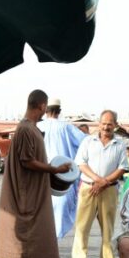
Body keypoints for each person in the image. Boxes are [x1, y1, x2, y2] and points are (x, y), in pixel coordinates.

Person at [0, 90, 69, 258]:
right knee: (25, 233)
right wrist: (54, 170)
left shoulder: (32, 128)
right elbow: (26, 161)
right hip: (25, 194)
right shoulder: (26, 129)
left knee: (35, 233)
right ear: (43, 106)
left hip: (34, 192)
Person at [66, 109, 128, 258]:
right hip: (88, 188)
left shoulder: (120, 144)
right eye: (104, 123)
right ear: (99, 124)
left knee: (108, 229)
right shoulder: (88, 141)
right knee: (82, 227)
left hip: (109, 190)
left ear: (115, 125)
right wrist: (97, 180)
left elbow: (123, 168)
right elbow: (81, 163)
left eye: (110, 124)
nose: (106, 127)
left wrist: (104, 182)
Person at [38, 98, 85, 239]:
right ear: (59, 111)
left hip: (40, 176)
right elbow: (85, 142)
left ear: (45, 110)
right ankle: (53, 248)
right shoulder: (66, 127)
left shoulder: (37, 126)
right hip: (62, 179)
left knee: (41, 215)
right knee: (58, 216)